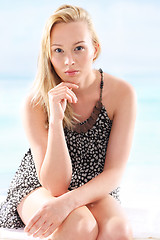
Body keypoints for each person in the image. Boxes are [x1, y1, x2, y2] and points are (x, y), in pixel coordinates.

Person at [0, 4, 137, 240]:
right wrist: (55, 119)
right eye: (59, 51)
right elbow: (55, 187)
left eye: (79, 48)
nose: (69, 61)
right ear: (49, 54)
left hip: (95, 185)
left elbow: (114, 173)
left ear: (95, 49)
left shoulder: (121, 94)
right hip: (39, 184)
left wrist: (68, 202)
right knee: (79, 224)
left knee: (118, 230)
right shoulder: (35, 103)